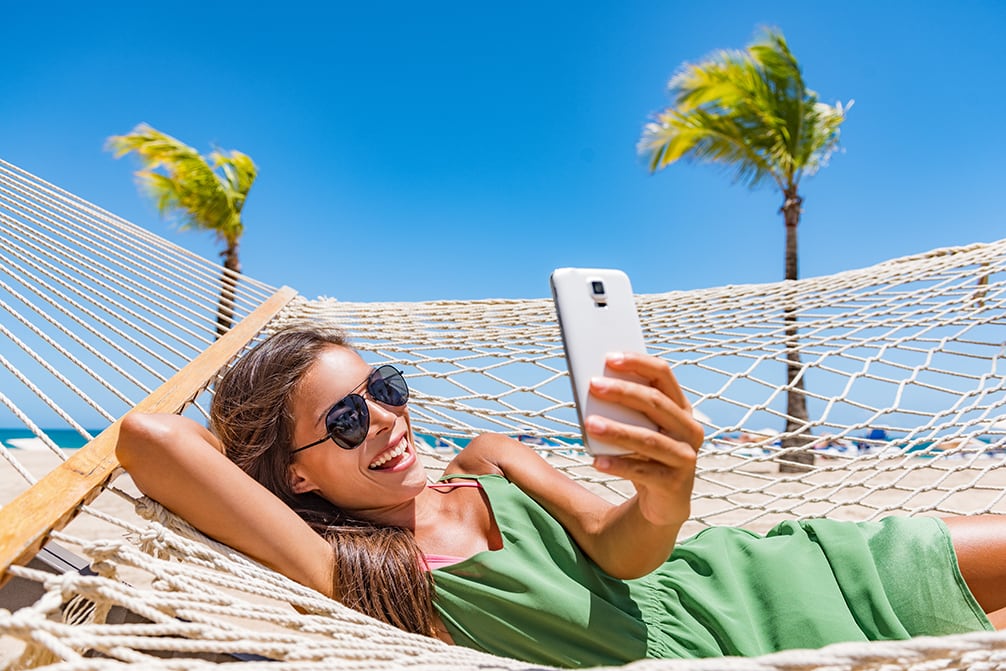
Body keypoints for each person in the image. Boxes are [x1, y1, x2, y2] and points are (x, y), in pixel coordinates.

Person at [116, 324, 1006, 668]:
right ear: (297, 475)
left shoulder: (489, 456)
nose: (388, 418)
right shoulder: (347, 569)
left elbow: (620, 547)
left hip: (759, 579)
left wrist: (665, 498)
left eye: (386, 386)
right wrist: (257, 453)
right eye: (348, 419)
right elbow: (154, 440)